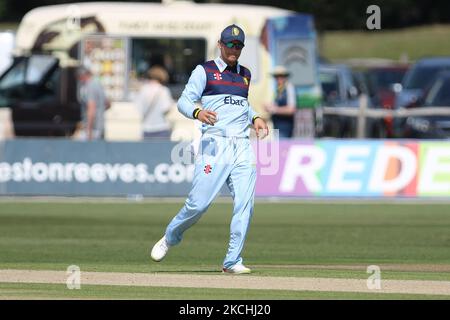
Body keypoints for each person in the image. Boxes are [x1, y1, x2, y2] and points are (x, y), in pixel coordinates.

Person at [150, 24, 268, 274]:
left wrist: (255, 118)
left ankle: (232, 261)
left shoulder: (245, 74)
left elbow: (241, 106)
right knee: (198, 205)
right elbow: (183, 101)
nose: (234, 49)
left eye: (238, 46)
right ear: (220, 44)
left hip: (242, 146)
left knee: (245, 204)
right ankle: (171, 236)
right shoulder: (205, 71)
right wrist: (198, 112)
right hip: (214, 144)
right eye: (230, 44)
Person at [135, 66, 174, 139]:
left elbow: (138, 107)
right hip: (161, 127)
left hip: (146, 128)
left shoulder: (143, 90)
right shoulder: (163, 90)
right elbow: (166, 108)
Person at [77, 66, 110, 140]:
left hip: (93, 128)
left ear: (82, 76)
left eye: (79, 77)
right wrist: (100, 110)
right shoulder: (98, 84)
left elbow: (91, 108)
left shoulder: (89, 86)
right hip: (100, 126)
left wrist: (89, 130)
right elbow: (108, 104)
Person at [264, 66, 296, 138]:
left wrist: (274, 109)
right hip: (277, 127)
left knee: (282, 147)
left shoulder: (289, 88)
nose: (278, 78)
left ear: (285, 77)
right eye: (276, 76)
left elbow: (291, 109)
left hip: (285, 128)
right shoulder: (279, 90)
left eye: (281, 76)